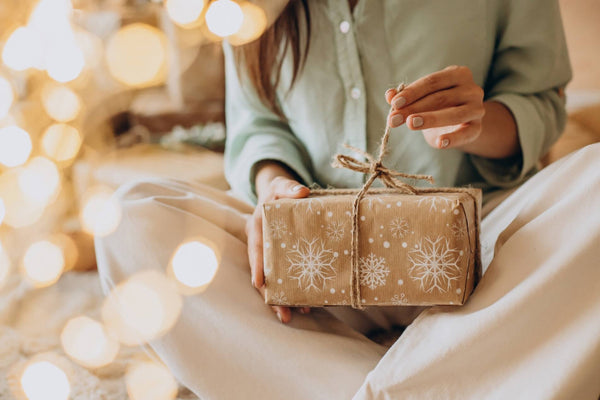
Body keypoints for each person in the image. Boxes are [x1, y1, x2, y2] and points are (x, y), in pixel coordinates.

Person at [96, 1, 600, 399]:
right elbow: (259, 126)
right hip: (314, 263)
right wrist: (275, 190)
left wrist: (477, 121)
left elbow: (539, 101)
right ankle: (450, 380)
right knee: (130, 218)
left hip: (479, 256)